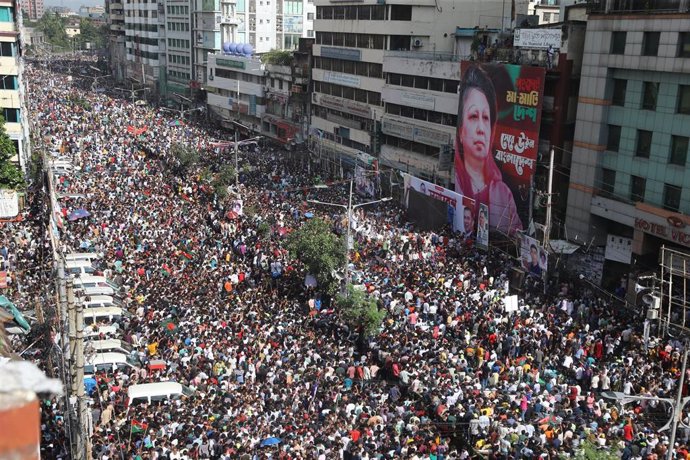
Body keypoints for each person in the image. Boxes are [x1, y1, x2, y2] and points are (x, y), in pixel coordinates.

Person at [455, 64, 522, 235]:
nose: (481, 128)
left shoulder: (504, 195)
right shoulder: (457, 184)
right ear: (461, 130)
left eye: (485, 118)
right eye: (473, 116)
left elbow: (516, 239)